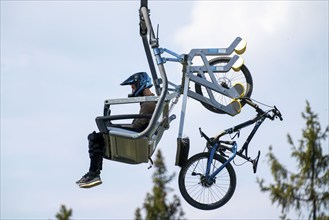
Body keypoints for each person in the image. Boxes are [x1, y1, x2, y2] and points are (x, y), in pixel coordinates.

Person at [76, 72, 156, 188]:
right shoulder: (150, 101)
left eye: (133, 87)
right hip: (138, 136)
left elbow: (137, 127)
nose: (132, 91)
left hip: (136, 138)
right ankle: (94, 174)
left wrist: (114, 126)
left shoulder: (148, 104)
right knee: (98, 139)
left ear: (141, 85)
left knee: (95, 138)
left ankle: (93, 174)